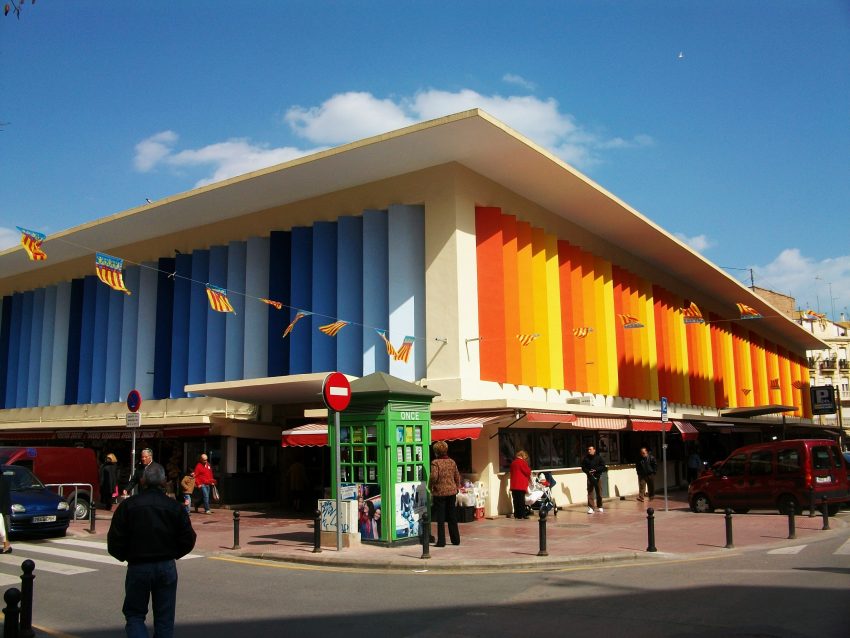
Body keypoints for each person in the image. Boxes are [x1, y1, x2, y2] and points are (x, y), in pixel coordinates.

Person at [107, 462, 196, 638]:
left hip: (138, 565)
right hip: (165, 565)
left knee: (135, 615)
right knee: (164, 618)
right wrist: (173, 553)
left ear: (142, 481)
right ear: (164, 481)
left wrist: (127, 556)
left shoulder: (128, 506)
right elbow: (188, 539)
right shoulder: (174, 507)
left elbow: (115, 540)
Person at [429, 440, 462, 547]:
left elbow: (433, 476)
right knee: (452, 516)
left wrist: (430, 486)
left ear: (436, 452)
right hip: (452, 492)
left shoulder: (435, 463)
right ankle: (455, 540)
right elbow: (457, 476)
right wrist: (457, 486)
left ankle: (441, 541)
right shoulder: (452, 462)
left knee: (441, 518)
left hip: (440, 492)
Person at [581, 445, 607, 514]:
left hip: (597, 477)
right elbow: (583, 467)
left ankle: (600, 506)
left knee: (599, 492)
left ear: (594, 450)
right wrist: (588, 471)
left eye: (590, 449)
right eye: (588, 449)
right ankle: (591, 508)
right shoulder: (586, 458)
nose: (589, 451)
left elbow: (603, 467)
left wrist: (596, 470)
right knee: (590, 492)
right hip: (590, 477)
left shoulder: (599, 457)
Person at [509, 450, 532, 519]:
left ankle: (517, 514)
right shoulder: (523, 463)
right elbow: (528, 472)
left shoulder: (513, 463)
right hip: (521, 484)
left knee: (515, 500)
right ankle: (522, 515)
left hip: (514, 484)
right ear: (523, 456)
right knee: (521, 501)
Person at [0, 469, 11, 554]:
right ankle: (6, 546)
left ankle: (7, 546)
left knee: (2, 529)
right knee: (2, 529)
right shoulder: (3, 480)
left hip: (1, 509)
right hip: (3, 509)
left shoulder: (1, 481)